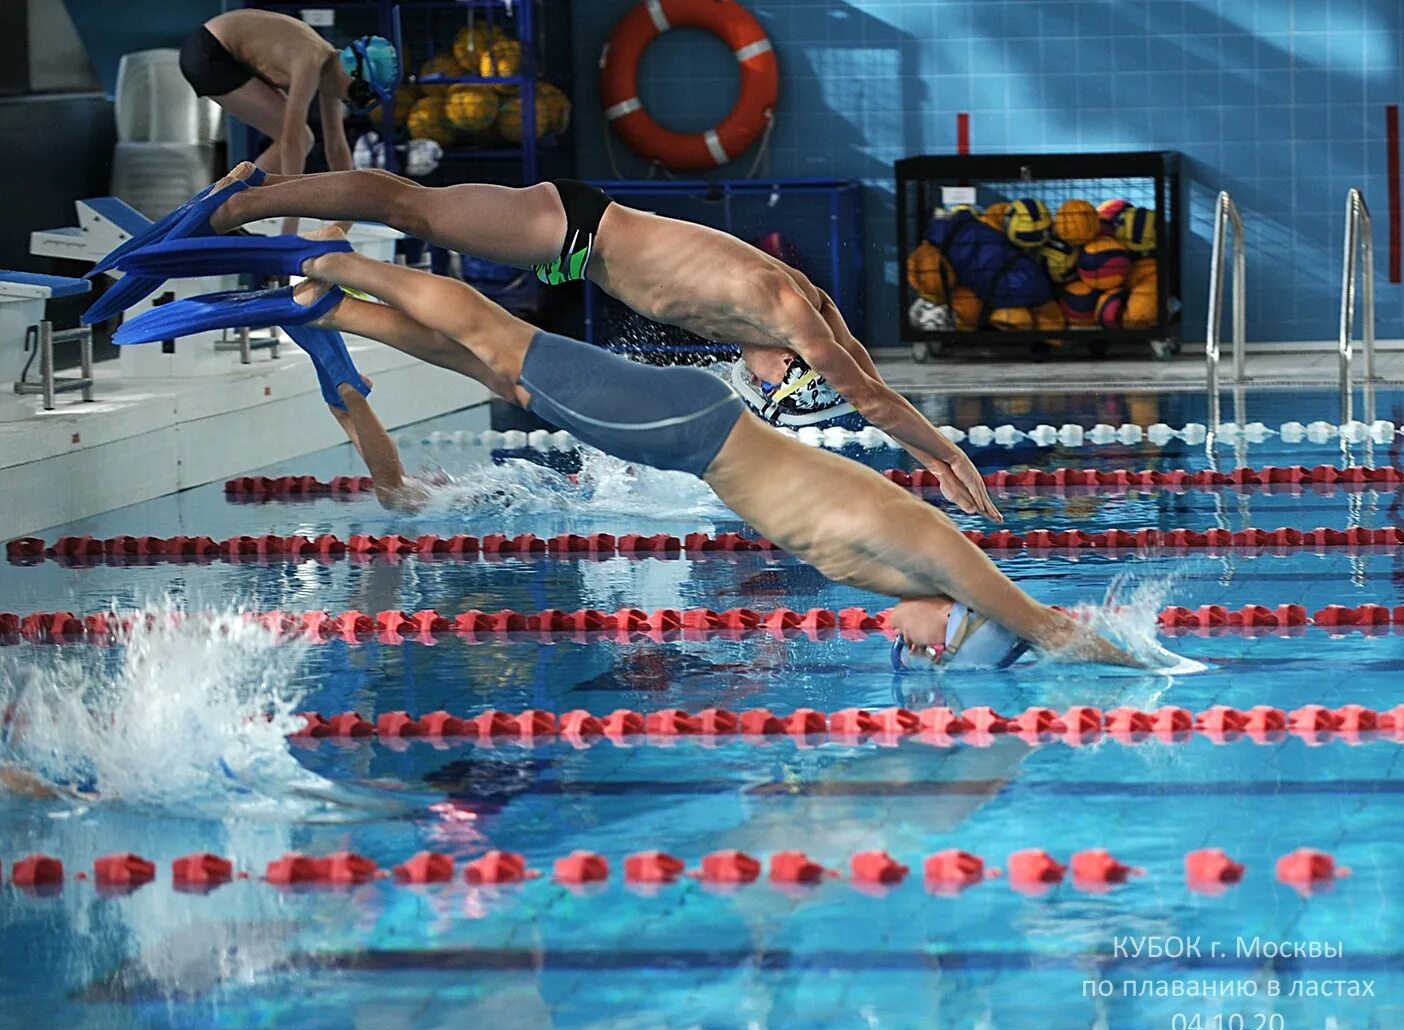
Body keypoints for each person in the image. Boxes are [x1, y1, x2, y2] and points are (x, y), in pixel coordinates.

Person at [129, 226, 1144, 671]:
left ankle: (330, 302)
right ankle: (330, 263)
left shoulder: (892, 581)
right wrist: (1152, 665)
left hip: (682, 432)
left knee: (497, 373)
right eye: (931, 652)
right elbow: (1050, 629)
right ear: (959, 627)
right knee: (505, 346)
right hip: (685, 429)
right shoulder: (938, 558)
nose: (906, 652)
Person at [190, 163, 1002, 521]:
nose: (754, 386)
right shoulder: (787, 314)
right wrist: (943, 457)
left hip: (581, 241)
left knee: (432, 237)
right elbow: (866, 392)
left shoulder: (806, 320)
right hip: (578, 226)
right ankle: (249, 204)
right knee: (417, 209)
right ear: (790, 366)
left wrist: (932, 448)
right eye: (775, 387)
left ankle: (321, 267)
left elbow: (859, 364)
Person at [177, 14, 399, 233]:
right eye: (360, 94)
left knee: (304, 138)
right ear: (352, 74)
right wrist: (291, 222)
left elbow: (336, 147)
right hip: (210, 52)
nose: (352, 101)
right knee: (300, 138)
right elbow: (291, 141)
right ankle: (224, 208)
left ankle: (228, 206)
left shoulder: (330, 68)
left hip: (220, 49)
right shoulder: (310, 61)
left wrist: (349, 212)